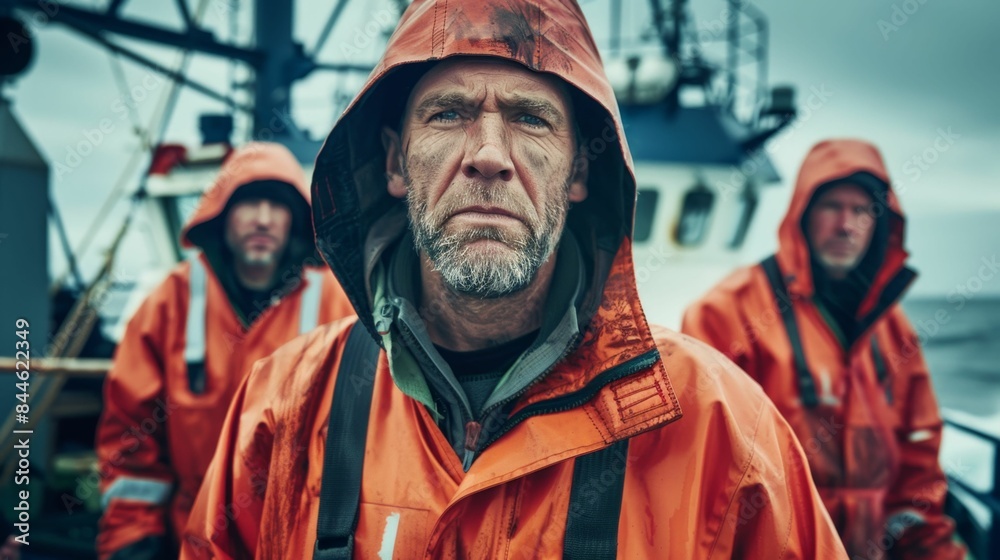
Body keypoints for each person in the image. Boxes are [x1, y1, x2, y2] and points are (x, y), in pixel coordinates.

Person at [181, 1, 848, 558]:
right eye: (448, 114)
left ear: (582, 171)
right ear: (394, 161)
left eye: (531, 119)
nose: (490, 156)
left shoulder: (723, 433)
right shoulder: (281, 410)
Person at [682, 139, 964, 559]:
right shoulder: (726, 313)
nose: (846, 224)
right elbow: (702, 473)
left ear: (880, 223)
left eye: (863, 210)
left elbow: (918, 460)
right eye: (832, 205)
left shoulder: (894, 331)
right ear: (802, 214)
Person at [95, 142, 355, 559]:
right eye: (249, 202)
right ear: (220, 213)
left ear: (296, 219)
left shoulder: (336, 302)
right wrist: (132, 540)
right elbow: (131, 439)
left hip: (297, 540)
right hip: (188, 539)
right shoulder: (168, 302)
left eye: (278, 205)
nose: (264, 219)